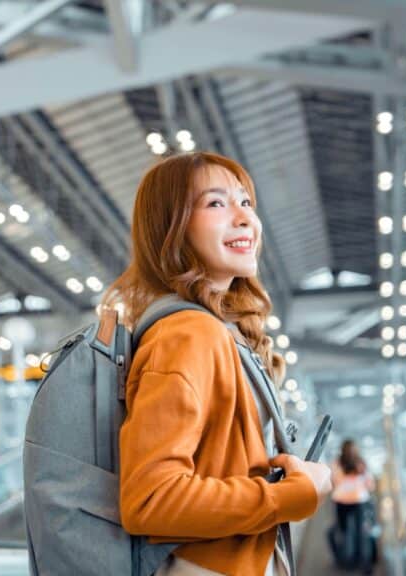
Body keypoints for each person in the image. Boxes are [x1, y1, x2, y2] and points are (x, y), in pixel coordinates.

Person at [105, 152, 332, 576]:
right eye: (216, 203)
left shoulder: (214, 332)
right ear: (172, 229)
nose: (244, 218)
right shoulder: (188, 335)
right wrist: (295, 495)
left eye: (246, 203)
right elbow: (152, 499)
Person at [328, 440, 377, 572]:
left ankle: (349, 562)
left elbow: (333, 482)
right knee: (361, 532)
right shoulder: (361, 464)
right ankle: (364, 564)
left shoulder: (336, 464)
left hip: (341, 501)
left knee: (345, 532)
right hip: (360, 501)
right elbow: (370, 485)